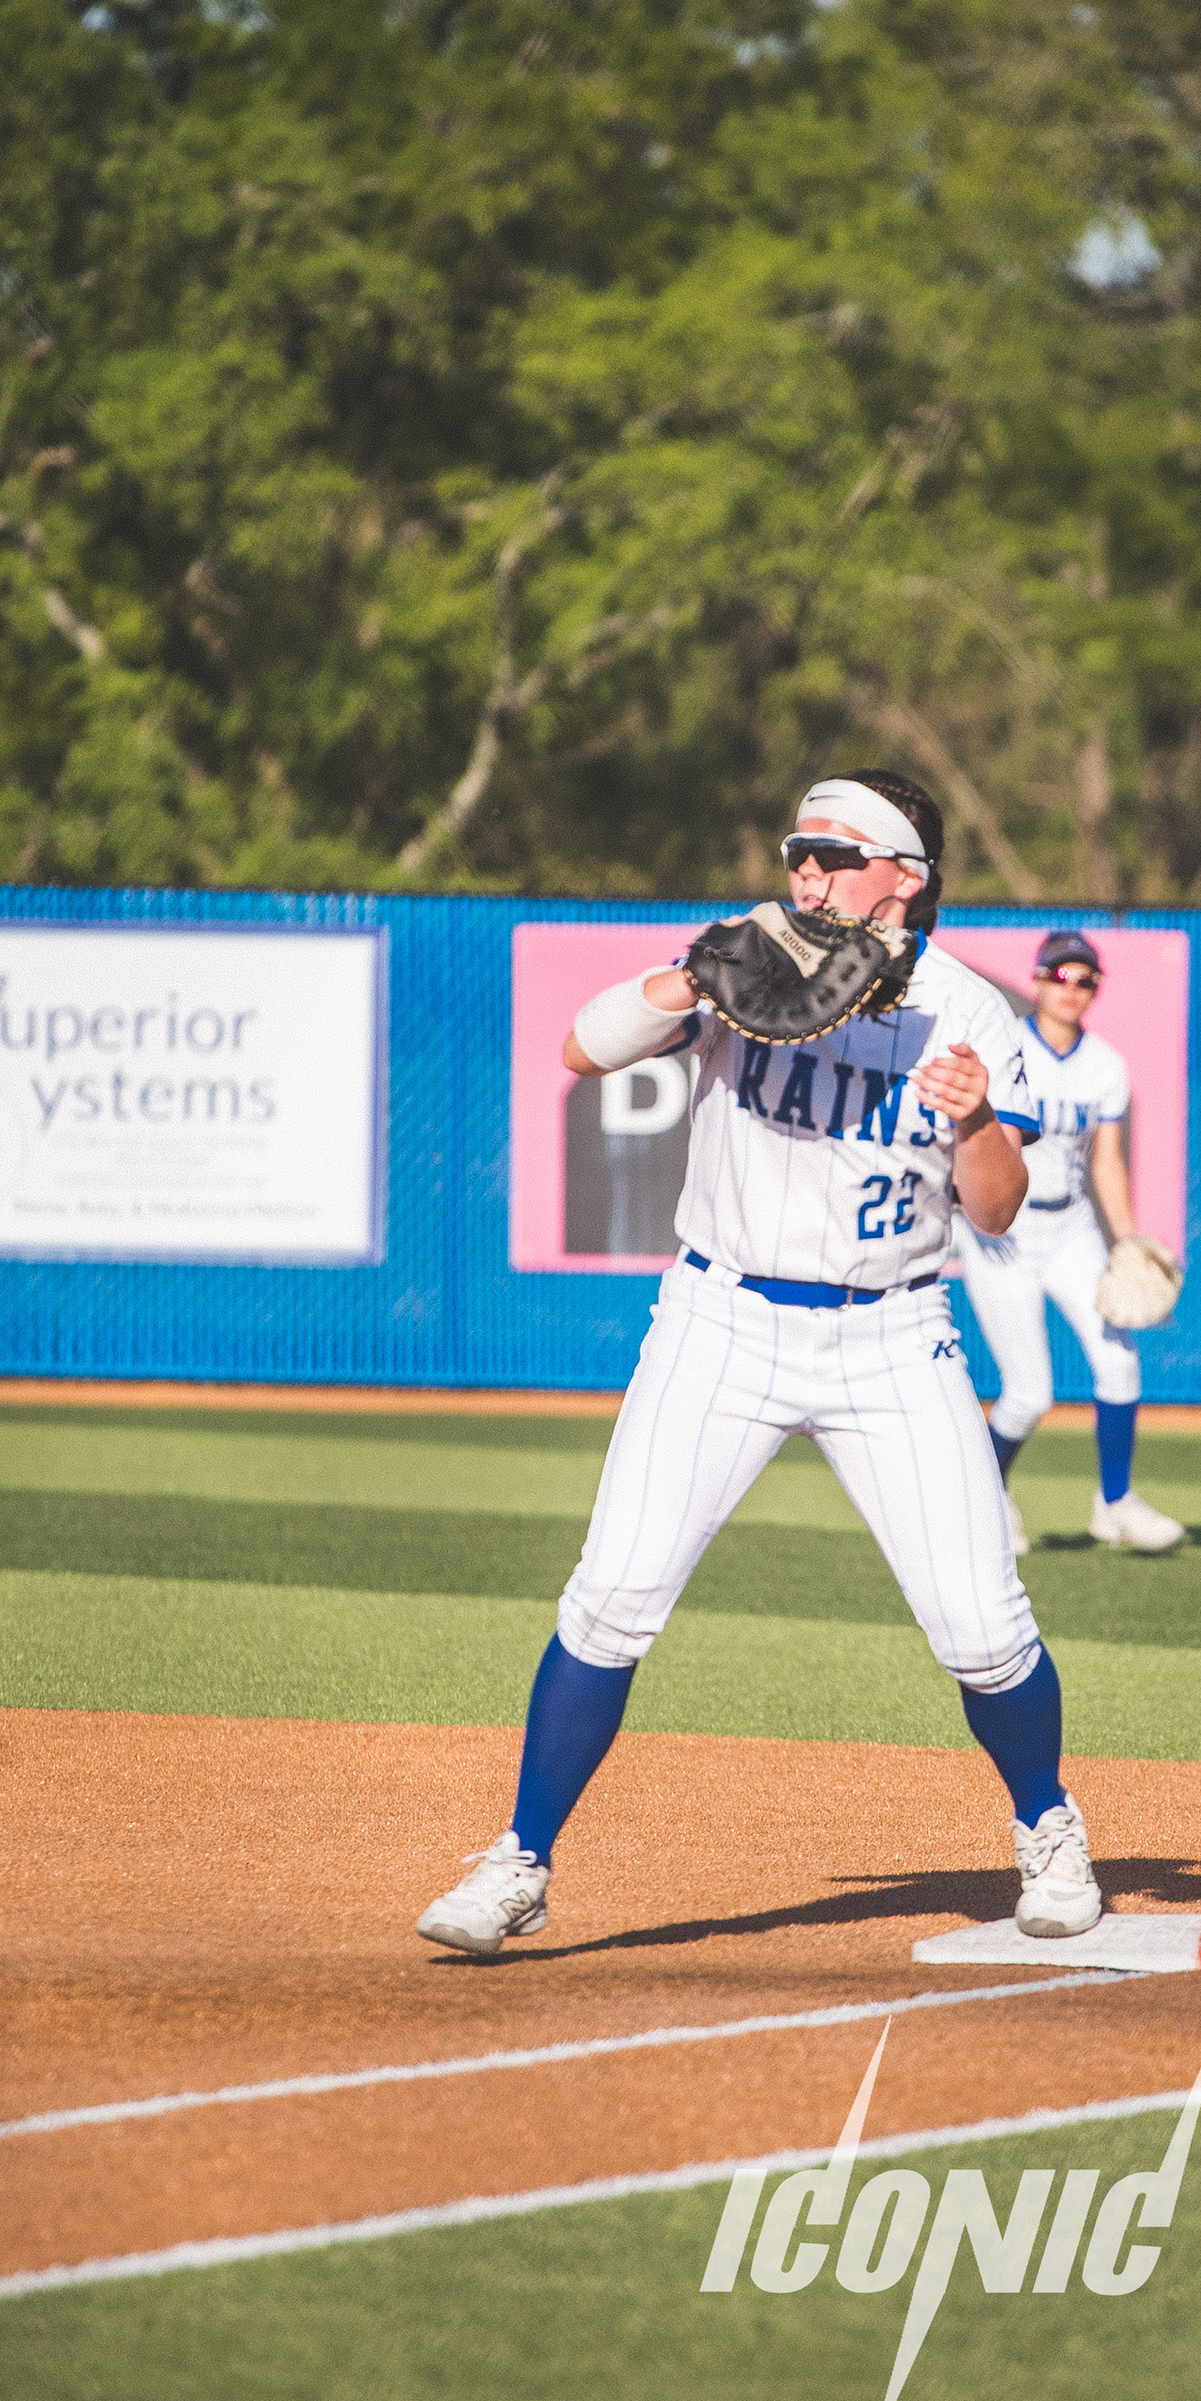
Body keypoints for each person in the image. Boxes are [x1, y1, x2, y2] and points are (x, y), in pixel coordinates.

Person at [417, 773, 1107, 1957]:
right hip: (722, 1319)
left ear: (906, 878)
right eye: (799, 851)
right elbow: (581, 1047)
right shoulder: (751, 961)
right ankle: (520, 1859)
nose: (807, 872)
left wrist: (978, 1119)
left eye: (835, 854)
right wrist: (694, 979)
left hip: (893, 1335)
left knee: (983, 1629)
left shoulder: (966, 1009)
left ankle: (1048, 1824)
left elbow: (997, 1210)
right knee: (612, 1595)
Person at [965, 933, 1186, 1556]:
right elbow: (961, 1131)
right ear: (1037, 980)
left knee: (1120, 1362)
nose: (1072, 988)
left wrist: (1128, 1241)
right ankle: (986, 1498)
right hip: (1002, 1231)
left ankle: (1115, 1502)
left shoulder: (1106, 1065)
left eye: (1086, 979)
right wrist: (970, 1210)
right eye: (1061, 975)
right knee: (1029, 1393)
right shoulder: (1002, 1045)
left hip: (1070, 1228)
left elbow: (1106, 1163)